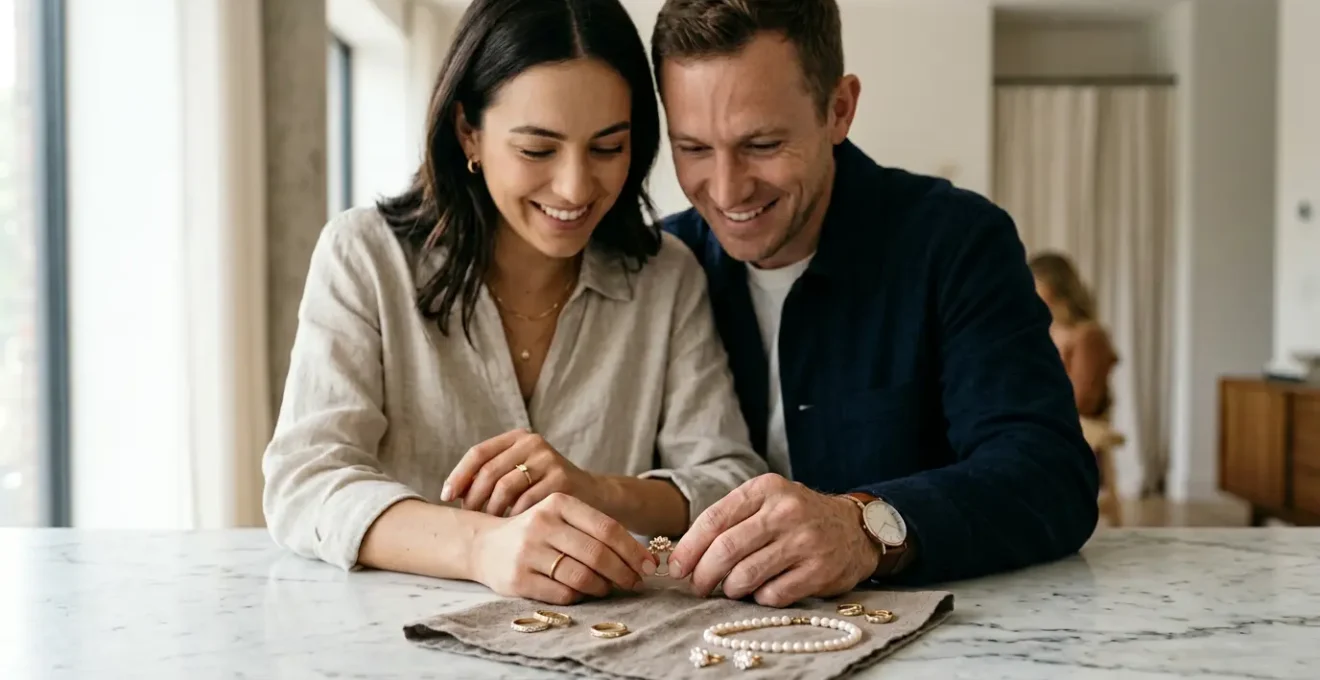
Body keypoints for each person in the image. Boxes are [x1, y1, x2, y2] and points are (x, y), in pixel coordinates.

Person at [262, 0, 766, 606]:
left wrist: (593, 489)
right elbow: (305, 480)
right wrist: (482, 546)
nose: (576, 188)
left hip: (605, 645)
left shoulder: (666, 276)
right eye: (537, 150)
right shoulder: (365, 257)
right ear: (467, 131)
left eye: (608, 148)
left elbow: (730, 479)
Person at [652, 0, 1100, 604]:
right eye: (694, 148)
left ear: (839, 110)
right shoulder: (661, 265)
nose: (727, 189)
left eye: (762, 144)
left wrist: (866, 527)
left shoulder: (956, 241)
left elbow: (1051, 477)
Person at [1029, 252, 1119, 419]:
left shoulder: (1088, 335)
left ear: (1054, 286)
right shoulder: (1044, 331)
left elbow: (1083, 401)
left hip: (1070, 435)